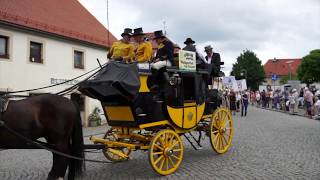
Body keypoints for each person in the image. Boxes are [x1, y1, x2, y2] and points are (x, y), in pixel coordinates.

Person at [150, 30, 174, 102]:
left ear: (161, 38)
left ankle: (153, 83)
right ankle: (154, 81)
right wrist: (154, 59)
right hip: (162, 61)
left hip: (168, 61)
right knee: (151, 65)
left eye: (157, 39)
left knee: (154, 66)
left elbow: (169, 54)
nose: (156, 41)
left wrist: (160, 59)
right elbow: (157, 56)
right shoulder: (160, 45)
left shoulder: (168, 43)